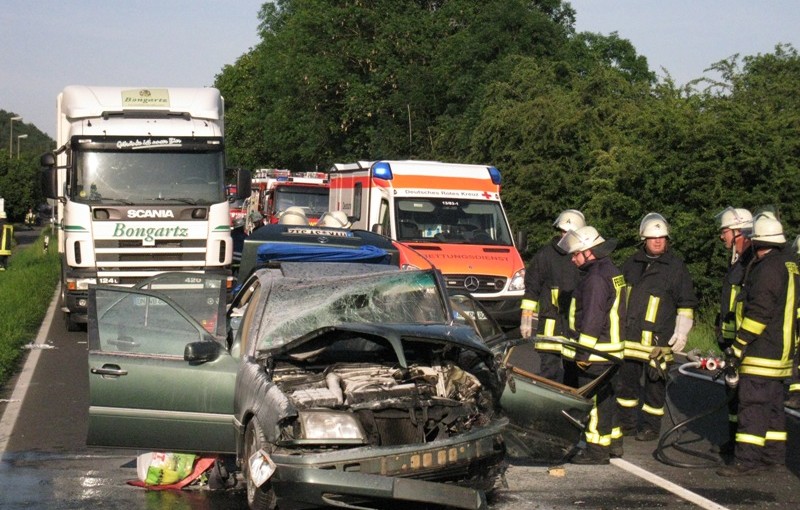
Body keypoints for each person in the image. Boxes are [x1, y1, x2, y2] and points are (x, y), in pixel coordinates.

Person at [717, 212, 797, 476]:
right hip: (782, 351)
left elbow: (759, 312)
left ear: (759, 241)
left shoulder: (767, 269)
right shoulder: (790, 264)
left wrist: (738, 346)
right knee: (773, 408)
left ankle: (746, 461)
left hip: (761, 351)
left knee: (751, 406)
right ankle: (773, 457)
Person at [617, 213, 698, 442]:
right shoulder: (631, 264)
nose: (658, 241)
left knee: (655, 386)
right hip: (630, 337)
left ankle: (651, 427)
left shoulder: (675, 267)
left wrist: (682, 331)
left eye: (662, 237)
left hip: (658, 341)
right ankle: (627, 423)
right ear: (644, 239)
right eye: (653, 238)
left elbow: (686, 303)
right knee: (627, 385)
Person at [558, 225, 626, 464]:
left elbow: (593, 319)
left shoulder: (595, 278)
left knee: (594, 402)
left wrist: (583, 353)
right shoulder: (611, 271)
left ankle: (597, 451)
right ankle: (613, 443)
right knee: (607, 398)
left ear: (589, 252)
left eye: (576, 254)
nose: (573, 259)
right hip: (612, 349)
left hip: (597, 352)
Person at [520, 209, 585, 383]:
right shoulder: (545, 255)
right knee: (549, 372)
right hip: (550, 324)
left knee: (573, 373)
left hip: (573, 325)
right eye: (564, 231)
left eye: (571, 232)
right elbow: (532, 286)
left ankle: (570, 408)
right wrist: (526, 317)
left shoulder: (582, 255)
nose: (566, 235)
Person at [715, 207, 754, 453]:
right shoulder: (739, 261)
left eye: (725, 232)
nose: (722, 237)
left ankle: (745, 448)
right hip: (732, 340)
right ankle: (733, 440)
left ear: (738, 231)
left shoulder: (751, 262)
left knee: (745, 396)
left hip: (745, 341)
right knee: (733, 394)